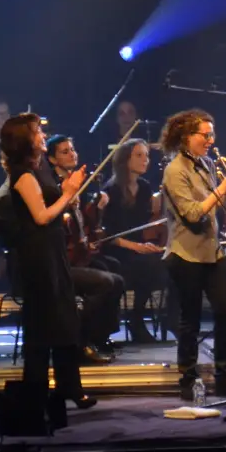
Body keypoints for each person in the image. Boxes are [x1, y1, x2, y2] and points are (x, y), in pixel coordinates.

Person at [0, 113, 95, 409]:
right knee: (43, 327)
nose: (41, 135)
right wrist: (70, 193)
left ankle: (69, 388)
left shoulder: (40, 171)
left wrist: (67, 194)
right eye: (37, 131)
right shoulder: (23, 175)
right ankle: (36, 393)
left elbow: (52, 204)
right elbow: (41, 216)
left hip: (52, 251)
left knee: (63, 321)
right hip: (37, 257)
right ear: (25, 139)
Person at [160, 108, 226, 398]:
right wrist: (221, 189)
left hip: (213, 250)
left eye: (212, 134)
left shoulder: (205, 163)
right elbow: (193, 213)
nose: (210, 139)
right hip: (185, 254)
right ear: (186, 137)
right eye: (204, 135)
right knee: (190, 320)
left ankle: (224, 375)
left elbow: (211, 207)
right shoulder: (174, 171)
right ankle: (188, 378)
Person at [43, 135, 126, 360]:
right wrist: (66, 201)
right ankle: (79, 339)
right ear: (51, 159)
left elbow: (83, 224)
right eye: (64, 151)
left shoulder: (74, 183)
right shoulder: (53, 188)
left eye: (72, 149)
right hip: (63, 261)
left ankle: (100, 335)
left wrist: (96, 208)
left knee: (116, 272)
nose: (72, 154)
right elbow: (56, 223)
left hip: (79, 254)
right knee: (105, 282)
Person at [100, 138, 166, 344]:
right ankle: (136, 320)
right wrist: (135, 246)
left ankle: (158, 318)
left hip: (138, 248)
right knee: (147, 265)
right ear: (125, 160)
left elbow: (145, 224)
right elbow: (107, 234)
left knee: (165, 261)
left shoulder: (145, 187)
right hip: (118, 250)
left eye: (147, 155)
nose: (145, 160)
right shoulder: (111, 189)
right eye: (139, 155)